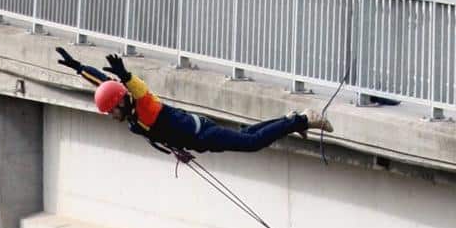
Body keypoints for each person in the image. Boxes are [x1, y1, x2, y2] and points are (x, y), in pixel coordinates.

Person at [56, 47, 333, 154]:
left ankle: (302, 119)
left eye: (112, 111)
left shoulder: (143, 105)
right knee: (246, 134)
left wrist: (126, 75)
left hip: (203, 134)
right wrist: (78, 67)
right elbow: (102, 84)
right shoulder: (132, 117)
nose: (112, 116)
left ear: (121, 101)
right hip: (198, 136)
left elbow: (138, 89)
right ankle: (291, 120)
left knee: (251, 143)